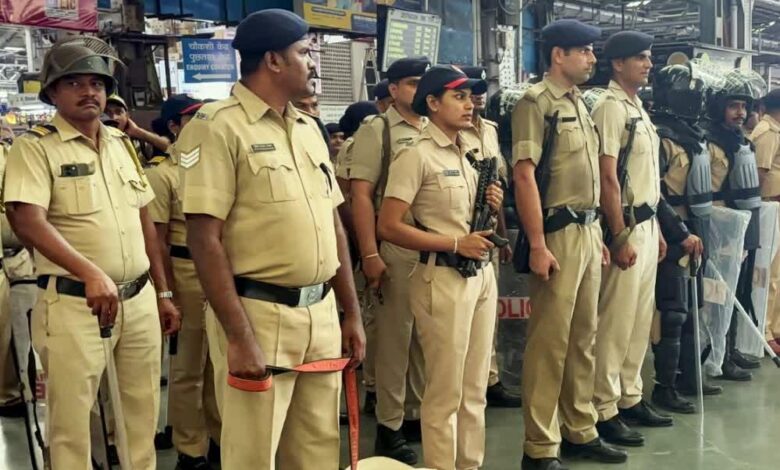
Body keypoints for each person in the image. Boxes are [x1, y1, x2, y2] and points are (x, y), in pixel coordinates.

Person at [177, 9, 365, 469]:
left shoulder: (308, 128)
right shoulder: (217, 126)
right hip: (259, 315)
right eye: (304, 52)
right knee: (253, 453)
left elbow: (333, 226)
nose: (312, 63)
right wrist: (239, 336)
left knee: (317, 451)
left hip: (320, 314)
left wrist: (350, 312)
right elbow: (205, 239)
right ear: (273, 61)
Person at [2, 37, 181, 469]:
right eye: (75, 83)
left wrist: (162, 292)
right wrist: (89, 273)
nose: (89, 92)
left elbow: (143, 220)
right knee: (72, 422)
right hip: (74, 304)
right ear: (52, 92)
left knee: (141, 415)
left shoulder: (121, 144)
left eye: (97, 84)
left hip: (137, 301)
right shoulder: (35, 148)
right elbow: (27, 220)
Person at [512, 19, 627, 470]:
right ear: (558, 55)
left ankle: (580, 428)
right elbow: (524, 175)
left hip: (587, 231)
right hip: (557, 233)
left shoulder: (580, 102)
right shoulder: (535, 102)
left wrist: (598, 234)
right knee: (550, 343)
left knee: (583, 338)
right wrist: (537, 244)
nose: (592, 58)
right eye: (584, 50)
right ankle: (539, 446)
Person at [377, 63, 501, 470]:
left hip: (479, 274)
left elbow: (471, 219)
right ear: (432, 102)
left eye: (470, 97)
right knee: (445, 392)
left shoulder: (470, 152)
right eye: (458, 96)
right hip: (442, 276)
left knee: (475, 389)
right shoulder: (415, 155)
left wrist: (493, 206)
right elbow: (389, 225)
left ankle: (470, 464)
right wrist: (454, 243)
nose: (469, 105)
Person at [589, 31, 674, 447]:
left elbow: (646, 177)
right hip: (625, 225)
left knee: (640, 319)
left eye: (649, 57)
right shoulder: (609, 107)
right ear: (617, 64)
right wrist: (620, 234)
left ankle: (630, 395)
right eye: (640, 57)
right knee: (615, 322)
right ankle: (604, 407)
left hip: (647, 223)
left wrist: (656, 230)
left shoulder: (638, 106)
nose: (648, 64)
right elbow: (607, 177)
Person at [348, 56, 430, 464]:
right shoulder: (377, 130)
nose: (421, 90)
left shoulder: (436, 126)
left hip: (434, 247)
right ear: (393, 89)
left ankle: (415, 415)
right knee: (394, 343)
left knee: (424, 342)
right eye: (413, 83)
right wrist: (369, 253)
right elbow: (361, 195)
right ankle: (389, 427)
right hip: (395, 246)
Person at [145, 95, 222, 469]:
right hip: (185, 272)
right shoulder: (161, 174)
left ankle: (219, 438)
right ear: (174, 127)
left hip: (219, 273)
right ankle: (191, 449)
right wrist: (167, 293)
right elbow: (156, 241)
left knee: (219, 365)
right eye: (193, 119)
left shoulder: (216, 164)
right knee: (188, 366)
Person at [651, 62, 715, 414]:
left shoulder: (693, 135)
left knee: (692, 306)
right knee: (673, 311)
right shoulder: (660, 136)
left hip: (695, 229)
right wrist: (677, 231)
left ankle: (691, 376)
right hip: (672, 231)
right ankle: (665, 387)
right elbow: (653, 192)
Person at [459, 65, 520, 408]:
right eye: (469, 91)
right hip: (458, 236)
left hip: (487, 232)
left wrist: (501, 234)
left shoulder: (490, 130)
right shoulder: (453, 132)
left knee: (487, 314)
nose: (477, 97)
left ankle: (489, 377)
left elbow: (495, 184)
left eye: (481, 90)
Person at [703, 69, 764, 383]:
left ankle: (731, 348)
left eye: (744, 106)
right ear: (719, 108)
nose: (740, 112)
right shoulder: (709, 142)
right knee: (719, 295)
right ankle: (718, 355)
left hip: (743, 224)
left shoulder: (743, 142)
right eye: (733, 106)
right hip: (722, 227)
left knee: (740, 289)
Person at [752, 89, 780, 355]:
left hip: (776, 207)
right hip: (769, 207)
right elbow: (759, 173)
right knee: (769, 273)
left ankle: (776, 326)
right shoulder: (767, 132)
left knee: (778, 273)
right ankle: (765, 330)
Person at [104, 93, 170, 162]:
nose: (114, 117)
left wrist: (137, 131)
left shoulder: (138, 142)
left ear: (127, 116)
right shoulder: (98, 140)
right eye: (107, 113)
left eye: (118, 112)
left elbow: (170, 148)